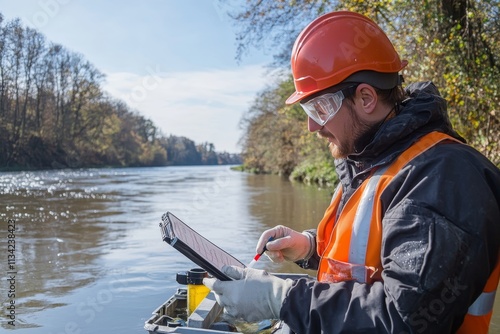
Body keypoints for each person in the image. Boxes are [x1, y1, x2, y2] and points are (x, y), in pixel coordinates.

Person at [203, 11, 500, 333]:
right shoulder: (371, 162)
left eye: (320, 108)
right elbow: (374, 261)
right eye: (308, 110)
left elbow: (404, 320)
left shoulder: (444, 177)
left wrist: (283, 299)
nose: (312, 125)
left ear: (366, 98)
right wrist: (309, 248)